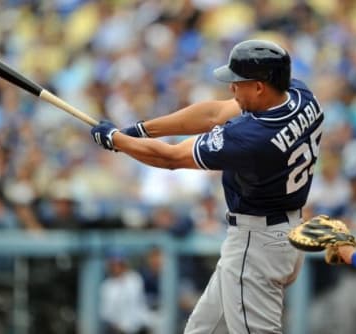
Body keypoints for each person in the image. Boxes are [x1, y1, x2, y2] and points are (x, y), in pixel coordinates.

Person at [91, 39, 324, 333]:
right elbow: (213, 114)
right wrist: (140, 130)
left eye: (238, 82)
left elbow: (172, 157)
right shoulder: (302, 95)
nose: (231, 88)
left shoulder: (251, 138)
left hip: (257, 244)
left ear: (260, 86)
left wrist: (117, 141)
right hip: (284, 233)